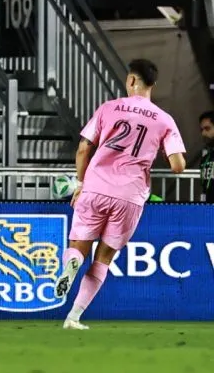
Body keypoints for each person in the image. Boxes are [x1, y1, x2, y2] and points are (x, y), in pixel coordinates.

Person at [54, 59, 186, 330]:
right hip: (130, 196)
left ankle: (72, 265)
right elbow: (177, 166)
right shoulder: (164, 119)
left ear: (131, 80)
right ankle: (74, 317)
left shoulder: (108, 108)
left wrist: (80, 183)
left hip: (95, 187)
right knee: (103, 259)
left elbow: (83, 148)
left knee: (78, 248)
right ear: (153, 85)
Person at [197, 111, 214, 203]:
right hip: (208, 211)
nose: (203, 133)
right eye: (201, 130)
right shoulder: (206, 158)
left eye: (207, 129)